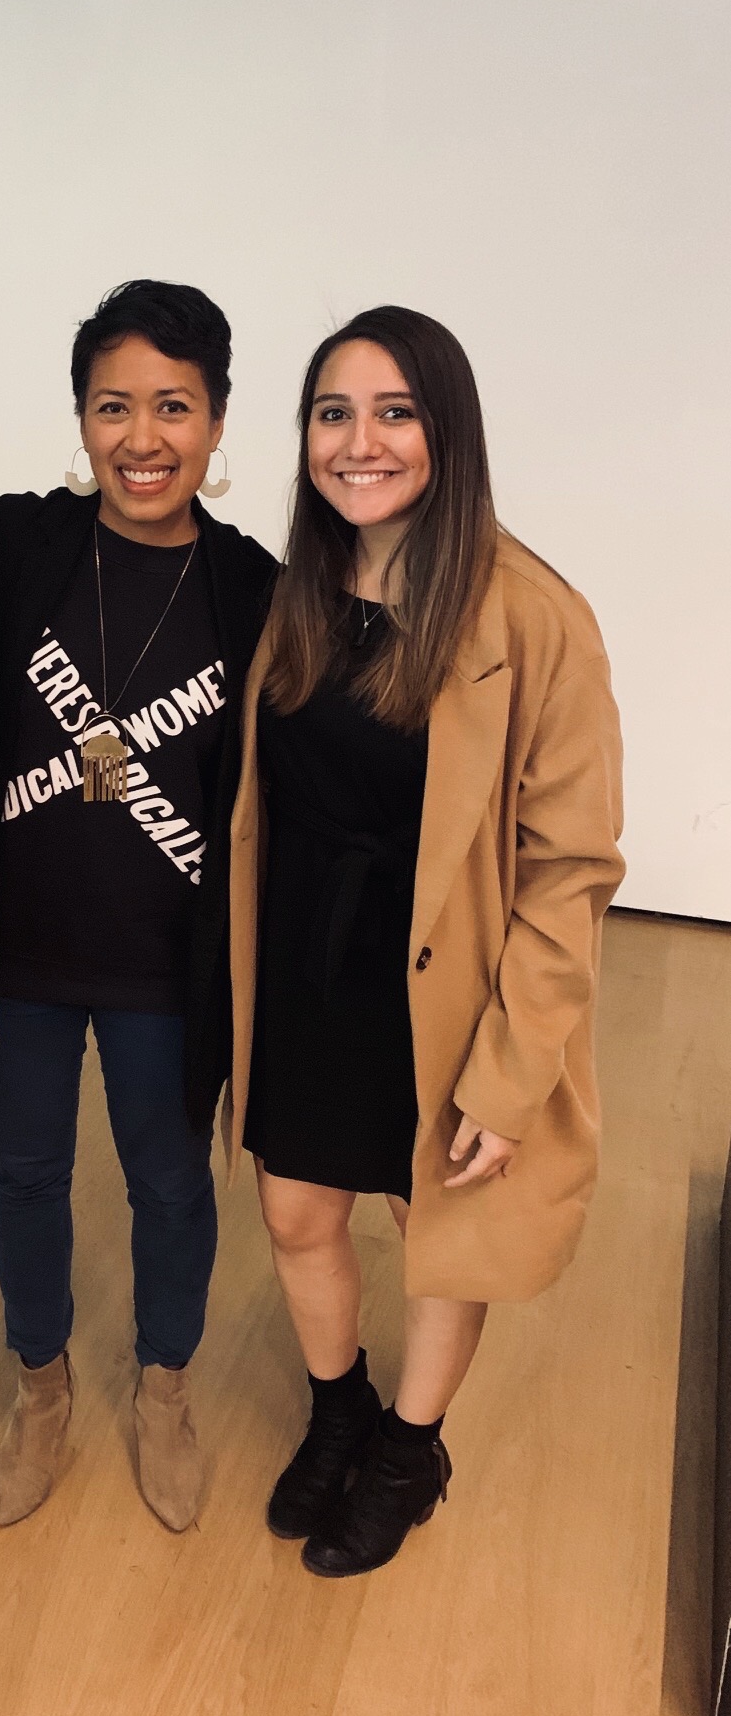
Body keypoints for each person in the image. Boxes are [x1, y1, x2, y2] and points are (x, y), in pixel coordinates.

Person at [226, 305, 623, 1575]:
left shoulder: (534, 617)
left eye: (394, 411)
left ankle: (408, 1448)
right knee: (296, 1209)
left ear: (446, 432)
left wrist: (511, 1075)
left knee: (435, 1229)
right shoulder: (288, 593)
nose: (360, 442)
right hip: (305, 965)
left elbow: (571, 870)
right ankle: (337, 1408)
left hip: (442, 986)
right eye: (332, 413)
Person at [0, 281, 277, 1532]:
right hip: (20, 956)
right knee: (25, 1172)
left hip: (165, 965)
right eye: (113, 406)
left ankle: (163, 1390)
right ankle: (40, 1391)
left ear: (214, 419)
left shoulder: (251, 589)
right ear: (80, 419)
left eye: (172, 407)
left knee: (170, 1185)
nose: (141, 437)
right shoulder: (17, 548)